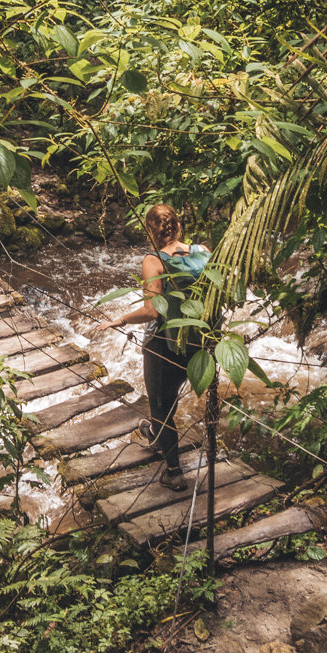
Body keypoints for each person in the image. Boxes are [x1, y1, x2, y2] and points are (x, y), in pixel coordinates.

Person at [92, 204, 209, 492]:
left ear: (150, 232)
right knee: (171, 398)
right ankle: (155, 435)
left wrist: (118, 320)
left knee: (161, 405)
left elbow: (152, 311)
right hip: (199, 341)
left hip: (164, 344)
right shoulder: (203, 252)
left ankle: (174, 472)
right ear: (179, 225)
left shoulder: (154, 261)